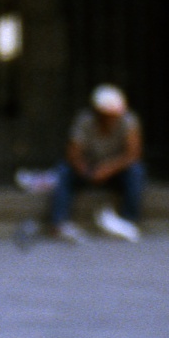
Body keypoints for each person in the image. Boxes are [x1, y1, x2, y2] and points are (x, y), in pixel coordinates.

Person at [48, 84, 145, 242]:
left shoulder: (128, 120)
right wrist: (86, 169)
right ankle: (59, 223)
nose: (112, 118)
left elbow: (133, 154)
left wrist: (108, 169)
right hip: (89, 167)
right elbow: (72, 153)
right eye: (108, 115)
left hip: (116, 169)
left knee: (136, 171)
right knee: (64, 170)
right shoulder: (85, 120)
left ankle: (128, 221)